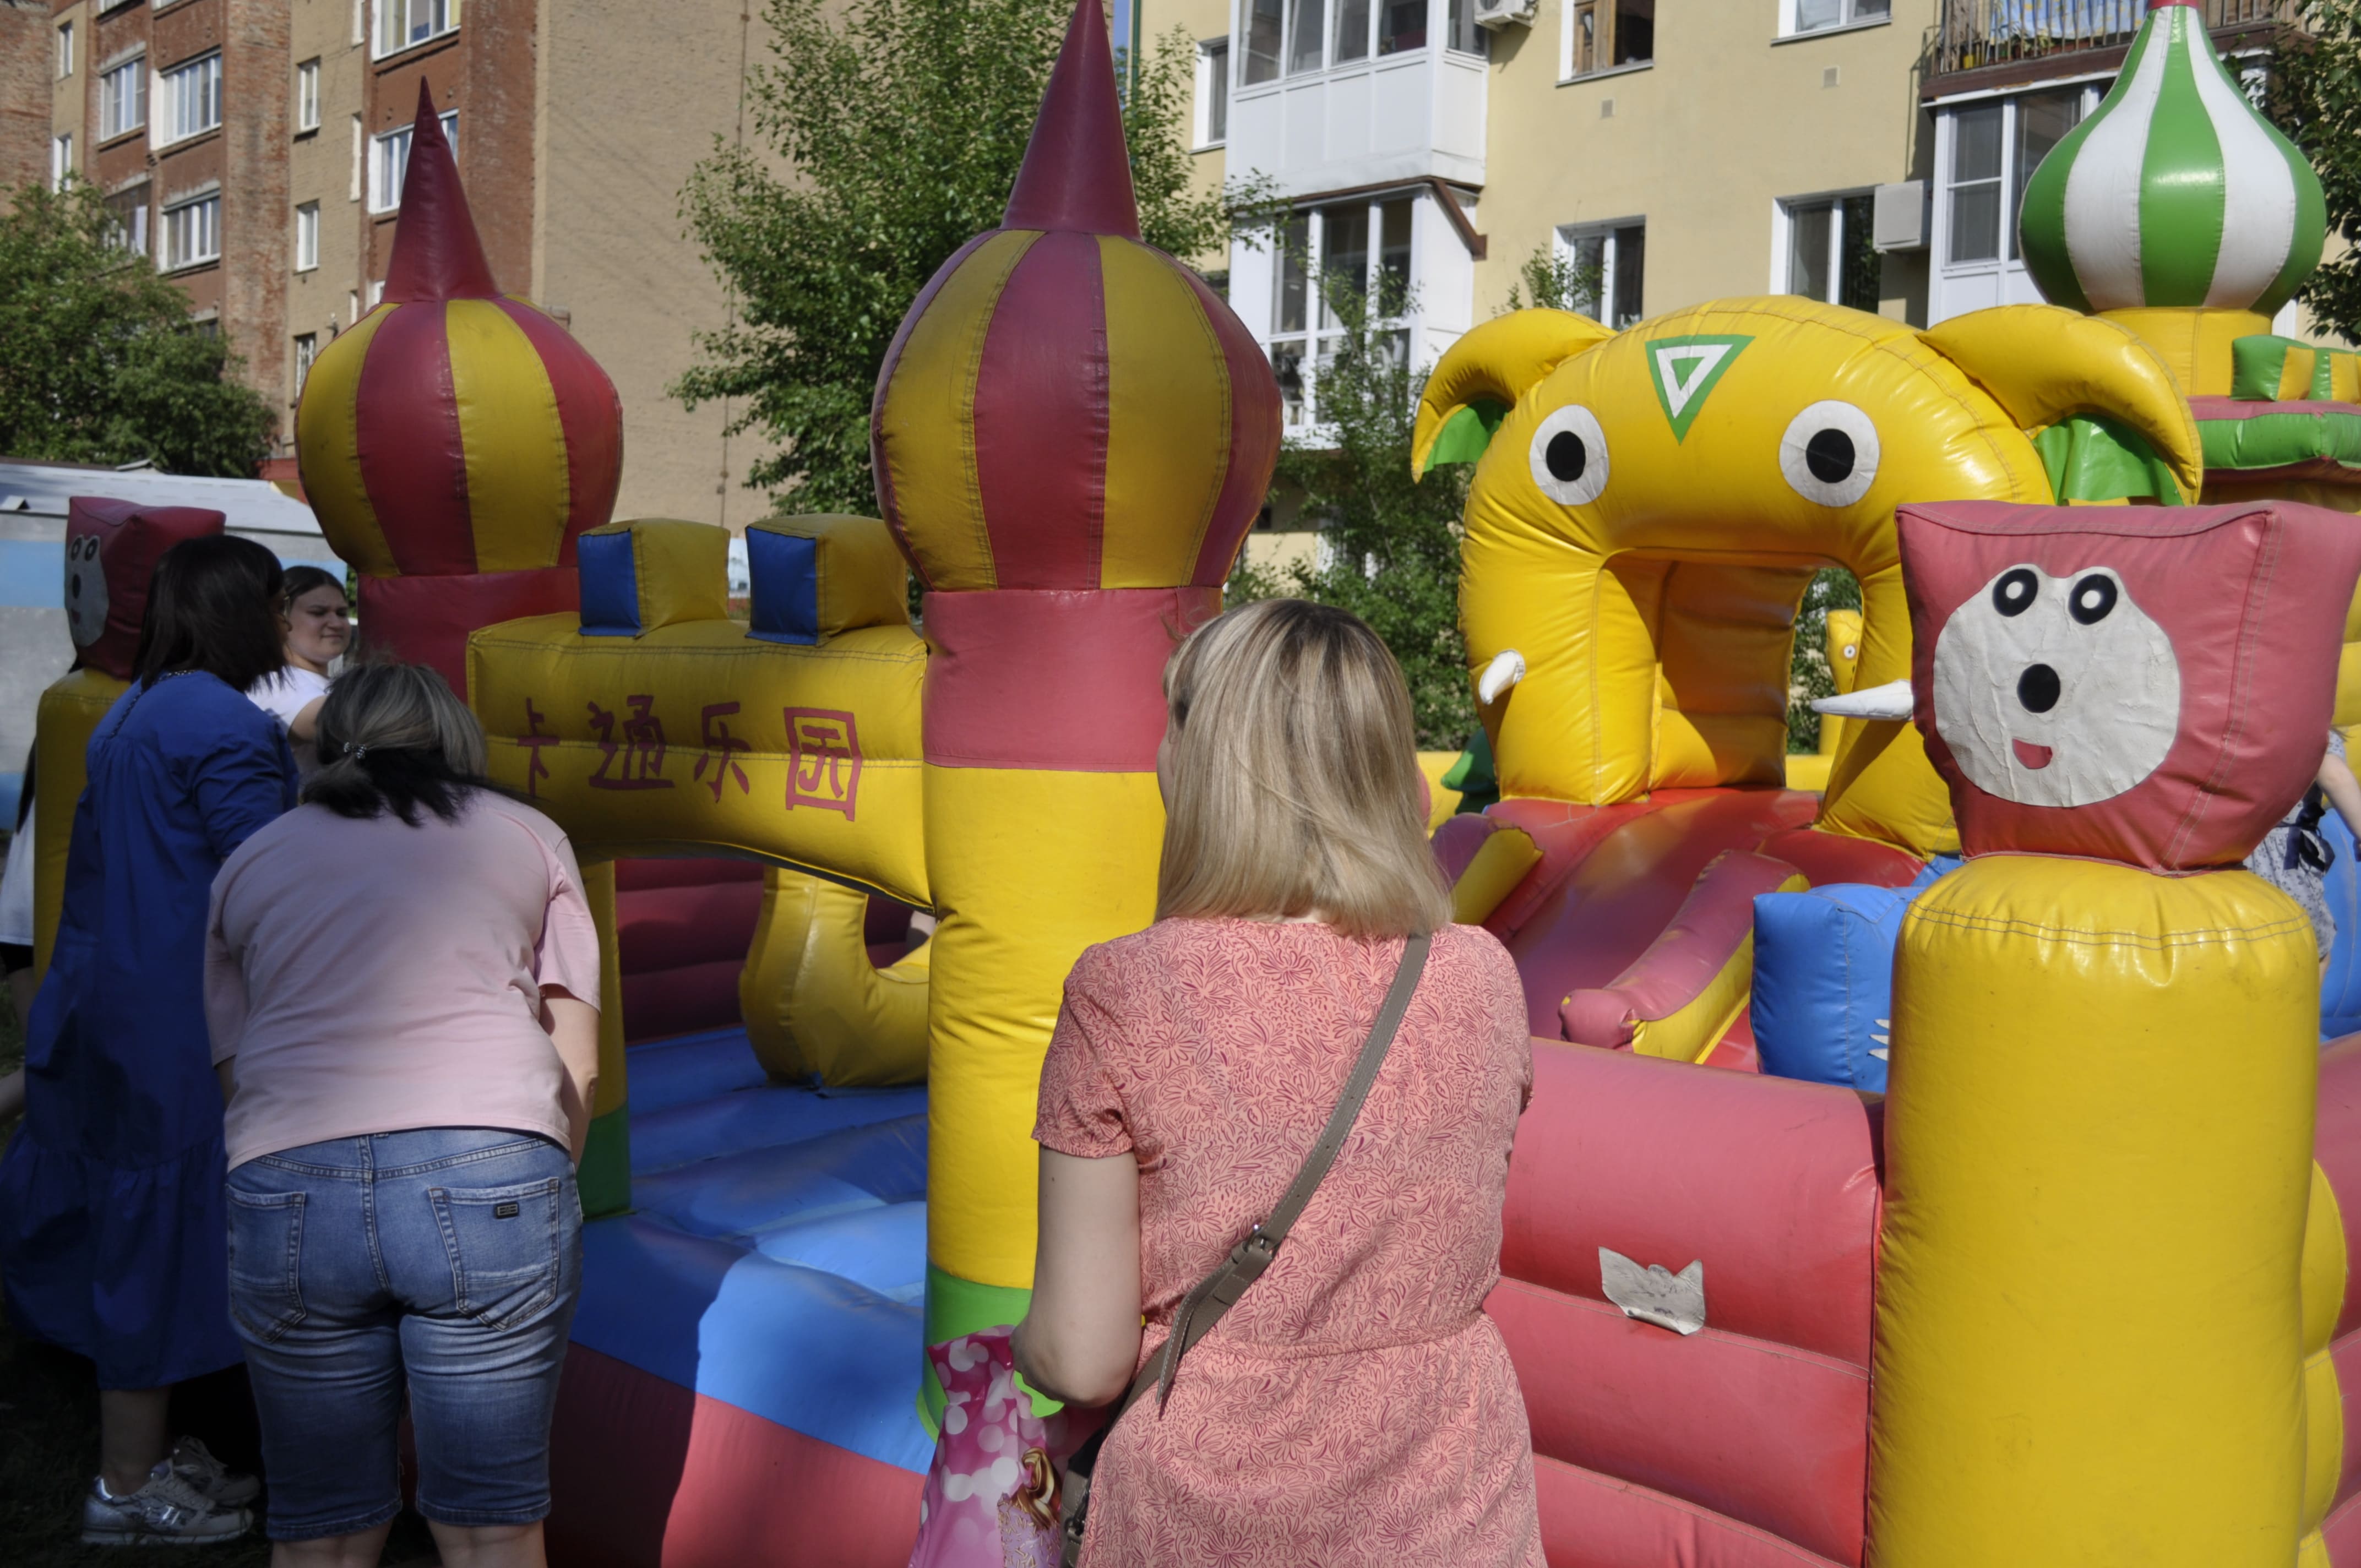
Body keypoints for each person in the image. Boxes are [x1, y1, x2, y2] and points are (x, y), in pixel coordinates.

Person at [1011, 598, 1543, 1567]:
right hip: (1455, 1498)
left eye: (1175, 720)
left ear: (1209, 759)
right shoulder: (1479, 971)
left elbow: (1079, 1354)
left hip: (1211, 1510)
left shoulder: (1123, 989)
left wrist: (1018, 1347)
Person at [206, 662, 601, 1568]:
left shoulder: (252, 859)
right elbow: (576, 1056)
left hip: (291, 1176)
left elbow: (236, 1066)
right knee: (491, 1523)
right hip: (492, 1163)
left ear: (327, 740)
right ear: (457, 740)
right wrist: (546, 1190)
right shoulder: (528, 834)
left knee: (325, 1526)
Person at [0, 533, 296, 1545]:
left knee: (122, 1223)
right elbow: (267, 878)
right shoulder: (221, 719)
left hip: (106, 996)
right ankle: (126, 1489)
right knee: (160, 1243)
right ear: (240, 611)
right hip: (176, 1020)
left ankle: (150, 1454)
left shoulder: (133, 708)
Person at [2248, 728, 2361, 971]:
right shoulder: (2312, 732)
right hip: (2284, 860)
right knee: (2313, 948)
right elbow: (2335, 778)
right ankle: (2302, 1009)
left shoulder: (2238, 729)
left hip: (2231, 852)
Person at [246, 567, 351, 776]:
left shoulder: (333, 682)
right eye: (318, 612)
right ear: (282, 617)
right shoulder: (272, 682)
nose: (336, 623)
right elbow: (342, 722)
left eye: (342, 613)